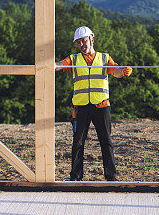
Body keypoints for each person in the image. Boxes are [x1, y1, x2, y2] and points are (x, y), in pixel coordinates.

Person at [55, 26, 132, 181]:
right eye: (79, 43)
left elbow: (115, 70)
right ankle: (75, 178)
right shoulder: (74, 59)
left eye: (84, 41)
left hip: (101, 106)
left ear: (92, 39)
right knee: (78, 143)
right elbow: (60, 65)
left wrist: (123, 71)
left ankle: (111, 177)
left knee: (106, 142)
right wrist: (51, 65)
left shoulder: (104, 58)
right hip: (81, 108)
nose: (82, 45)